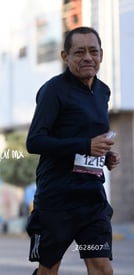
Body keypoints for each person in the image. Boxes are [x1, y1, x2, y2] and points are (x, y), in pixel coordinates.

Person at [25, 26, 121, 275]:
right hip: (57, 200)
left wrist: (104, 156)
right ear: (64, 56)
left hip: (92, 199)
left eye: (93, 51)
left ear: (101, 54)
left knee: (102, 267)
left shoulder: (102, 91)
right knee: (49, 270)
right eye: (79, 52)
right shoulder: (53, 91)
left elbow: (88, 137)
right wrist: (85, 146)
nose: (87, 57)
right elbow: (35, 141)